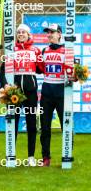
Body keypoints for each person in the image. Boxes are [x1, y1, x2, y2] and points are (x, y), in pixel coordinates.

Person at [0, 23, 43, 166]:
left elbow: (41, 69)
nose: (21, 34)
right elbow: (2, 71)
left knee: (31, 124)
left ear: (29, 34)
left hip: (30, 92)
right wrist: (5, 84)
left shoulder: (36, 50)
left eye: (23, 32)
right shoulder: (11, 50)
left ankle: (31, 156)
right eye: (19, 32)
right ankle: (11, 155)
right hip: (15, 92)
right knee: (13, 122)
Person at [40, 23, 75, 166]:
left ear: (59, 34)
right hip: (47, 93)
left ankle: (67, 154)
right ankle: (46, 157)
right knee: (45, 127)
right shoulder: (43, 51)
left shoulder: (67, 51)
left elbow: (73, 72)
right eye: (48, 32)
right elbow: (40, 69)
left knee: (66, 125)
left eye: (52, 32)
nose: (49, 35)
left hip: (61, 93)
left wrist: (76, 76)